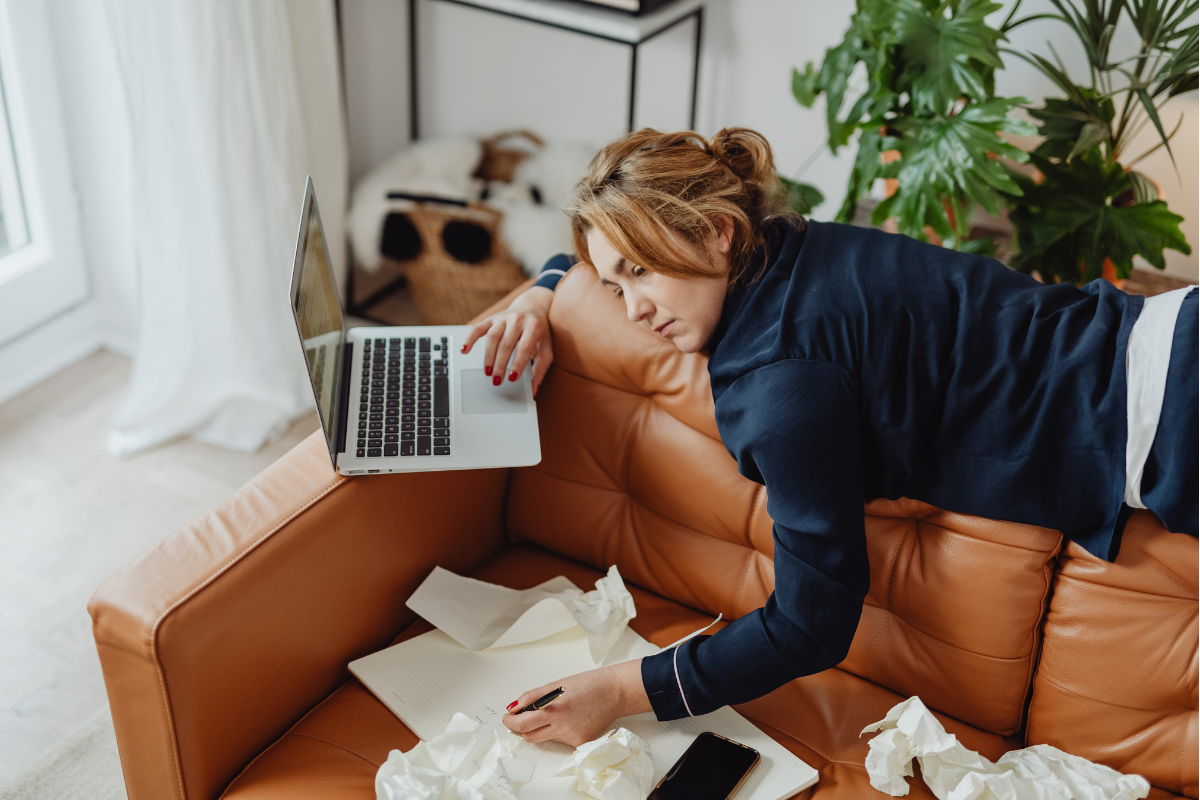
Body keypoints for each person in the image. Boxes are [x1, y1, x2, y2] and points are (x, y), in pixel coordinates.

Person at [459, 127, 1199, 748]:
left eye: (641, 272)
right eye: (616, 285)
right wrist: (542, 288)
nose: (631, 309)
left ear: (716, 234)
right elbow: (612, 245)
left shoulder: (783, 385)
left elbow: (812, 625)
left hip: (1172, 422)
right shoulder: (780, 243)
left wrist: (624, 689)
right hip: (1166, 336)